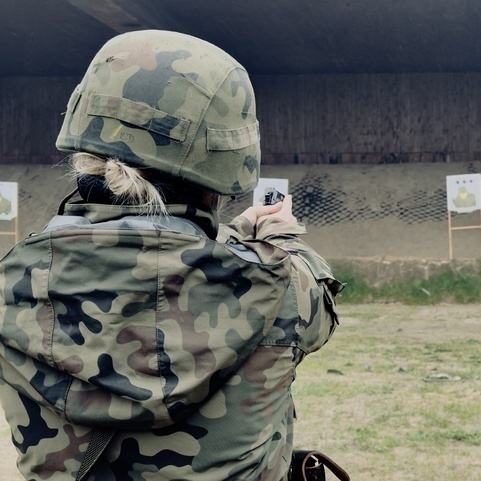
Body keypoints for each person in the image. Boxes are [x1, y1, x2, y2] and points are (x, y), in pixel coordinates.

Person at [0, 30, 343, 480]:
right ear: (223, 159)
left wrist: (234, 239)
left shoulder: (12, 285)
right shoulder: (278, 289)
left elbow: (150, 260)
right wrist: (278, 233)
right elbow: (315, 297)